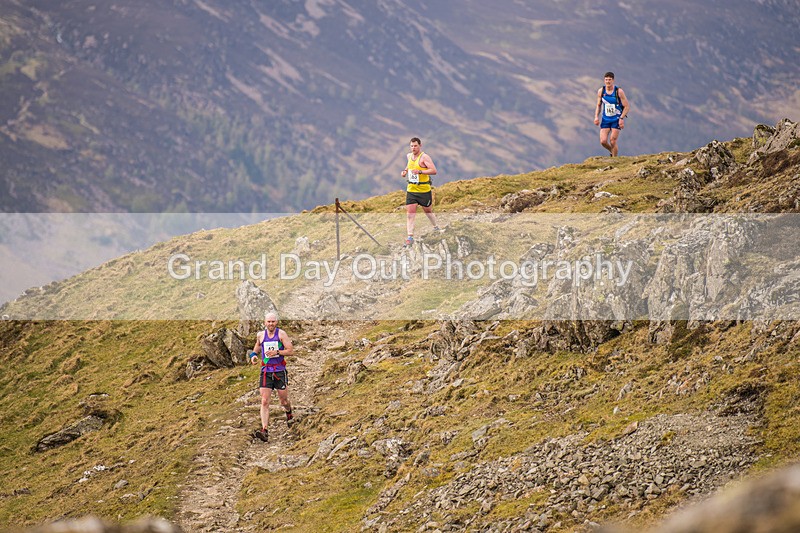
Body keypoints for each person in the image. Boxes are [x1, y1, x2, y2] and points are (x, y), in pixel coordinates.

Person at [249, 311, 294, 442]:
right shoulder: (261, 335)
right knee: (264, 401)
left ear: (276, 322)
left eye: (273, 321)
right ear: (265, 322)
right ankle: (265, 430)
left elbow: (290, 351)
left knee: (283, 401)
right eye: (268, 321)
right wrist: (253, 356)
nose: (271, 324)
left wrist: (277, 352)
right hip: (265, 371)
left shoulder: (281, 334)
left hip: (279, 371)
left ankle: (289, 412)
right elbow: (257, 347)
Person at [401, 137, 440, 246]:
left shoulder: (424, 157)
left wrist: (420, 171)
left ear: (420, 146)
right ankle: (410, 237)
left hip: (424, 190)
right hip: (411, 189)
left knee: (428, 211)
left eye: (415, 146)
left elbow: (434, 171)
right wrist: (405, 171)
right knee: (410, 213)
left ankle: (436, 227)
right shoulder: (409, 156)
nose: (413, 148)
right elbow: (409, 166)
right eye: (411, 146)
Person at [593, 72, 631, 157]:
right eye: (606, 80)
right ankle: (612, 151)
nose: (608, 81)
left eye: (610, 80)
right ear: (604, 80)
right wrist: (596, 117)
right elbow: (598, 105)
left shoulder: (619, 91)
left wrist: (621, 118)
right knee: (603, 141)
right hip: (606, 119)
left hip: (616, 119)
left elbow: (627, 106)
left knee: (613, 140)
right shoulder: (601, 91)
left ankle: (614, 159)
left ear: (613, 80)